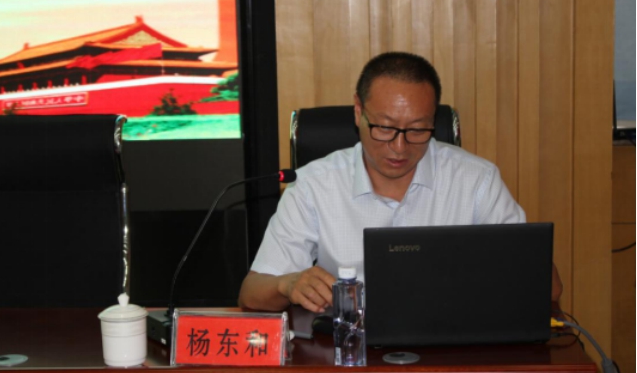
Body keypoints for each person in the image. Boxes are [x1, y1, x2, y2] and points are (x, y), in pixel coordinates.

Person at [238, 52, 563, 313]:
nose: (399, 147)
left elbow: (548, 288)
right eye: (384, 127)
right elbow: (251, 294)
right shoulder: (313, 185)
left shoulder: (476, 180)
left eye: (418, 129)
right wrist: (288, 284)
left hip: (452, 344)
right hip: (349, 349)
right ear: (358, 112)